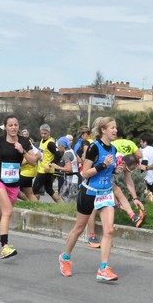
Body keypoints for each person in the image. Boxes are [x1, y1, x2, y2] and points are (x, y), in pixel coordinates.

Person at [58, 117, 120, 281]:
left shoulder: (113, 149)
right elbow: (84, 173)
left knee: (109, 230)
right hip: (90, 191)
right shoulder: (94, 147)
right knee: (79, 229)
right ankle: (65, 258)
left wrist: (116, 170)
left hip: (105, 193)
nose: (115, 130)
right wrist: (102, 165)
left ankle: (103, 268)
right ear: (103, 130)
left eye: (116, 128)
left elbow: (108, 170)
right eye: (112, 128)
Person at [0, 115, 36, 258]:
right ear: (5, 127)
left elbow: (34, 162)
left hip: (13, 183)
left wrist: (22, 151)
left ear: (18, 127)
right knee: (8, 211)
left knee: (3, 212)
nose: (13, 128)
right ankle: (4, 246)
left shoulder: (24, 142)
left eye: (15, 125)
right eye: (10, 125)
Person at [32, 124, 61, 203]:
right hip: (42, 168)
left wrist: (50, 165)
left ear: (49, 133)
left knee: (35, 189)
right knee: (49, 189)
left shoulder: (50, 143)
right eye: (42, 133)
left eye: (45, 133)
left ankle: (35, 206)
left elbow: (58, 155)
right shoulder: (42, 141)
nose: (43, 135)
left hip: (46, 170)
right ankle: (60, 203)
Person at [50, 136, 79, 202]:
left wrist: (57, 167)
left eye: (59, 145)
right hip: (74, 177)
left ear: (62, 146)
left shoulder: (66, 155)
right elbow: (79, 160)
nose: (58, 147)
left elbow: (69, 169)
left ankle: (69, 210)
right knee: (63, 195)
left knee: (69, 199)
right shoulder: (72, 151)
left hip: (71, 180)